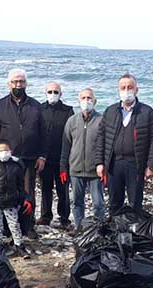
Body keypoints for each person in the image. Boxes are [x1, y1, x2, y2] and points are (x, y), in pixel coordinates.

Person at [94, 73, 153, 213]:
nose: (126, 91)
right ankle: (115, 230)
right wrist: (99, 163)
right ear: (118, 90)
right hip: (114, 164)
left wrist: (151, 165)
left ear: (137, 90)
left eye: (130, 87)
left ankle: (134, 231)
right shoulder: (110, 111)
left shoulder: (147, 112)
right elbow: (101, 138)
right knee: (114, 202)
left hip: (135, 164)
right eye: (123, 87)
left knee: (135, 202)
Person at [0, 68, 44, 239]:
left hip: (29, 157)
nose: (18, 85)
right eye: (14, 82)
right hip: (6, 158)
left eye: (21, 81)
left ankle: (28, 226)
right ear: (9, 84)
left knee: (28, 193)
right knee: (6, 191)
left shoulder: (36, 106)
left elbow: (44, 133)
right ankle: (7, 227)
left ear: (26, 83)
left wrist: (42, 155)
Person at [61, 88, 104, 231]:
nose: (87, 101)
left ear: (95, 101)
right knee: (77, 203)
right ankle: (80, 228)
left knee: (98, 203)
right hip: (76, 169)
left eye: (90, 98)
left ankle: (98, 228)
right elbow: (66, 146)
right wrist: (63, 168)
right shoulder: (71, 121)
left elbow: (105, 146)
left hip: (95, 171)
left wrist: (104, 166)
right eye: (83, 98)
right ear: (78, 101)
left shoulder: (101, 120)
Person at [0, 140, 30, 258]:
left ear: (11, 151)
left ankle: (19, 245)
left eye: (6, 150)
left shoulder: (16, 166)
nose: (4, 153)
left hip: (11, 202)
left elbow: (20, 186)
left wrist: (20, 201)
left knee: (14, 224)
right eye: (1, 151)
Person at [38, 81, 73, 228]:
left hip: (62, 157)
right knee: (45, 188)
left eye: (56, 92)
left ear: (61, 94)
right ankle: (46, 216)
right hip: (44, 157)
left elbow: (71, 134)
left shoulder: (68, 111)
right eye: (50, 92)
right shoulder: (39, 109)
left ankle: (64, 217)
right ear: (45, 93)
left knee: (62, 189)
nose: (53, 94)